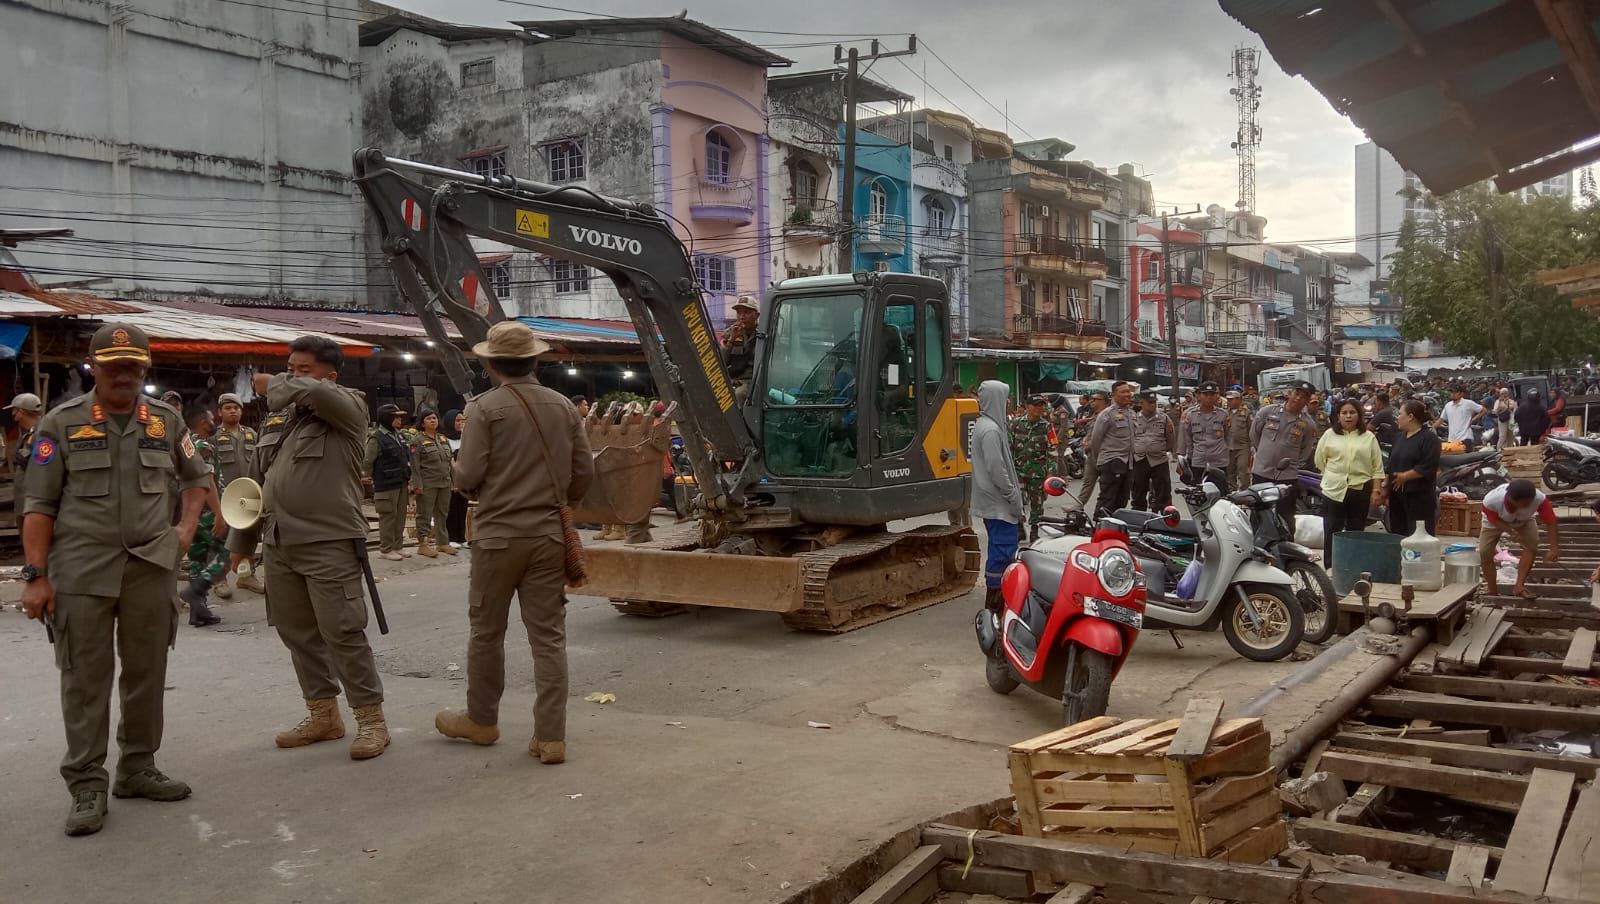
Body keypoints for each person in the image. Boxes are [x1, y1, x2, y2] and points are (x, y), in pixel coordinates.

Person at [21, 324, 209, 836]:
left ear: (144, 369)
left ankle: (138, 767)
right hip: (82, 570)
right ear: (94, 368)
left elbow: (197, 478)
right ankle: (86, 783)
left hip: (150, 566)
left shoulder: (166, 420)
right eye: (113, 366)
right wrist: (36, 577)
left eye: (133, 366)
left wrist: (184, 530)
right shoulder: (61, 423)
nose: (123, 375)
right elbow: (39, 504)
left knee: (146, 671)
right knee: (85, 679)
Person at [435, 321, 592, 765]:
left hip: (497, 537)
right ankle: (551, 738)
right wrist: (561, 501)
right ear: (534, 360)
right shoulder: (564, 407)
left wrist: (465, 478)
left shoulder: (484, 409)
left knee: (487, 633)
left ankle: (482, 721)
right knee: (549, 639)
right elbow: (584, 471)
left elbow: (467, 476)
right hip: (548, 535)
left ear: (491, 364)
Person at [228, 336, 390, 761]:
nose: (292, 376)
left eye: (303, 369)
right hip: (279, 541)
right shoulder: (278, 422)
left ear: (330, 376)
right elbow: (255, 483)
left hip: (329, 541)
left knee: (342, 631)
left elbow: (316, 393)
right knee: (296, 632)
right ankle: (323, 715)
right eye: (290, 368)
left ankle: (371, 719)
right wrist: (242, 542)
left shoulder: (348, 406)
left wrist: (277, 383)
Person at [969, 380, 1025, 613]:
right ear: (996, 399)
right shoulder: (991, 430)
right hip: (998, 503)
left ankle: (997, 603)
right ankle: (995, 604)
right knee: (1002, 551)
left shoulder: (987, 425)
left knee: (999, 548)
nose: (1009, 401)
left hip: (993, 501)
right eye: (1006, 397)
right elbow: (996, 470)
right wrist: (1012, 495)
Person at [1314, 399, 1383, 566]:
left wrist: (1376, 490)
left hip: (1360, 490)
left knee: (1356, 531)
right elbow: (1319, 461)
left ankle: (1353, 567)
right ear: (1338, 416)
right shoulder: (1329, 435)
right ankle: (1331, 567)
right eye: (1344, 413)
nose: (1348, 416)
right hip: (1333, 490)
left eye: (1352, 412)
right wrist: (1333, 475)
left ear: (1359, 415)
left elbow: (1377, 466)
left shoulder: (1368, 437)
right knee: (1332, 529)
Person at [175, 407, 226, 625]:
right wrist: (219, 513)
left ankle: (198, 612)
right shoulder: (203, 446)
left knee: (197, 560)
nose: (215, 422)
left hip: (189, 511)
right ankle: (195, 591)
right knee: (226, 556)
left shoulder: (184, 444)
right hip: (206, 512)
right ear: (204, 423)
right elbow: (208, 481)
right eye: (213, 419)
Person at [212, 392, 264, 594]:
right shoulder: (213, 436)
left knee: (248, 536)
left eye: (236, 408)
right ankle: (219, 579)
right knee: (220, 537)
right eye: (228, 408)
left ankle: (246, 576)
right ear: (219, 412)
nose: (233, 411)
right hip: (224, 496)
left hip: (248, 496)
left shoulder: (251, 434)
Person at [1250, 380, 1320, 526]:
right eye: (1296, 393)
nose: (1298, 398)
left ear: (1307, 401)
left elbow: (1305, 450)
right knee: (1258, 511)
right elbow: (1254, 435)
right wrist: (1265, 454)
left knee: (1286, 515)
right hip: (1262, 471)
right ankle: (1256, 538)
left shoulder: (1308, 424)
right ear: (1289, 393)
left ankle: (1285, 539)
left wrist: (1291, 463)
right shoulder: (1267, 412)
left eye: (1304, 397)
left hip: (1287, 476)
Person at [1479, 479, 1560, 600]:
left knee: (1532, 547)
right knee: (1485, 553)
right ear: (1511, 498)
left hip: (1524, 520)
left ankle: (1519, 586)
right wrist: (1511, 531)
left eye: (1528, 503)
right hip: (1495, 522)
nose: (1525, 505)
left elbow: (1551, 521)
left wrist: (1554, 548)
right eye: (1522, 504)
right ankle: (1492, 590)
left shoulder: (1540, 499)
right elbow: (1493, 519)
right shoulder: (1491, 501)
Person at [1381, 398, 1442, 535]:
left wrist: (1405, 476)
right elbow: (1391, 465)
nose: (1397, 418)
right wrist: (1385, 486)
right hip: (1397, 496)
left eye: (1400, 414)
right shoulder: (1399, 437)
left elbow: (1429, 465)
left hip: (1419, 496)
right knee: (1398, 534)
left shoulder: (1429, 438)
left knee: (1418, 536)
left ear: (1410, 417)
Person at [409, 408, 457, 558]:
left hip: (444, 482)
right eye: (429, 418)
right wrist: (417, 484)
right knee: (424, 514)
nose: (433, 421)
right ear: (422, 423)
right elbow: (415, 465)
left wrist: (454, 480)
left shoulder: (442, 438)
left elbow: (450, 462)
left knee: (442, 513)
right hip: (427, 483)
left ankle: (442, 542)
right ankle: (423, 544)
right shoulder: (417, 441)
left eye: (435, 418)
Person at [367, 404, 411, 561]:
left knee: (400, 516)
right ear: (387, 418)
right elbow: (368, 461)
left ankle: (398, 546)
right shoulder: (377, 437)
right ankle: (386, 549)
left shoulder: (399, 435)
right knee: (388, 516)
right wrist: (367, 477)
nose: (399, 420)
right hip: (386, 483)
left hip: (401, 481)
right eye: (396, 417)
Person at [1009, 394, 1055, 541]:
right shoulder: (1015, 424)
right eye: (1036, 405)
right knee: (1017, 501)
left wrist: (1051, 473)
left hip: (1038, 473)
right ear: (1027, 407)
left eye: (1042, 405)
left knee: (1037, 503)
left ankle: (1034, 530)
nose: (1039, 408)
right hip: (1018, 471)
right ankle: (1019, 527)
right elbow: (1009, 448)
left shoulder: (1046, 426)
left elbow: (1053, 452)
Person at [1088, 381, 1137, 517]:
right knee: (1107, 499)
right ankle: (1100, 525)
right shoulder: (1107, 414)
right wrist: (1101, 461)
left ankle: (1115, 526)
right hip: (1111, 462)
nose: (1127, 394)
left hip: (1128, 462)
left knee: (1122, 499)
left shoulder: (1131, 413)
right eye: (1123, 392)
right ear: (1114, 394)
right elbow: (1096, 440)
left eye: (1128, 391)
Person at [1178, 381, 1230, 489]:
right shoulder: (1190, 415)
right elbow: (1187, 438)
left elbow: (1228, 436)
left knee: (1220, 491)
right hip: (1199, 460)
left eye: (1212, 394)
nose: (1209, 397)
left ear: (1216, 396)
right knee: (1198, 492)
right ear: (1199, 395)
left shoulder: (1223, 415)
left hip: (1219, 461)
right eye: (1205, 394)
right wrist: (1188, 457)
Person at [1130, 390, 1174, 511]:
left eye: (1154, 402)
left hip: (1159, 460)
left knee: (1164, 492)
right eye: (1149, 402)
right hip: (1140, 459)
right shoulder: (1134, 418)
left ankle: (1165, 515)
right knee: (1138, 490)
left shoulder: (1164, 418)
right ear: (1142, 403)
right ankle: (1139, 515)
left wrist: (1162, 450)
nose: (1153, 405)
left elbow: (1170, 438)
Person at [722, 296, 759, 402]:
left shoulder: (763, 333)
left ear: (757, 315)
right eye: (739, 313)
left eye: (746, 312)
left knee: (739, 394)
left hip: (752, 380)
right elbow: (721, 361)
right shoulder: (729, 333)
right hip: (732, 380)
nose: (742, 317)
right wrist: (732, 339)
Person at [1076, 390, 1109, 509]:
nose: (1092, 402)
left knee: (1106, 486)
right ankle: (1078, 505)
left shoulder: (1108, 415)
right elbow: (1091, 431)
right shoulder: (1095, 415)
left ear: (1104, 402)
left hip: (1104, 455)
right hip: (1092, 454)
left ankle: (1103, 509)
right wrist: (1086, 439)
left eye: (1095, 400)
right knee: (1087, 482)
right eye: (1091, 399)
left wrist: (1090, 443)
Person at [443, 409, 470, 546]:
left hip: (464, 479)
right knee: (451, 508)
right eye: (457, 420)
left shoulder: (465, 438)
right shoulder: (444, 439)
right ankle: (451, 537)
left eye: (462, 420)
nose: (460, 423)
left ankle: (461, 537)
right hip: (450, 479)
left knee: (462, 507)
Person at [7, 391, 43, 478]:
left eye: (14, 409)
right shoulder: (27, 433)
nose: (12, 413)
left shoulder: (41, 435)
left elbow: (42, 470)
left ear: (21, 411)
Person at [1224, 390, 1253, 490]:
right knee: (1230, 470)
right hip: (1228, 446)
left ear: (1239, 400)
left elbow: (1251, 430)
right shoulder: (1224, 413)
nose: (1229, 402)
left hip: (1242, 447)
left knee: (1242, 468)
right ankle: (1232, 489)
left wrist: (1252, 446)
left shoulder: (1246, 413)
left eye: (1231, 400)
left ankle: (1245, 489)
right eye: (1228, 400)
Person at [1442, 384, 1484, 450]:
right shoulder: (1448, 405)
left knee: (1467, 456)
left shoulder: (1468, 403)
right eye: (1451, 392)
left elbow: (1483, 410)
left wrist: (1474, 419)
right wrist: (1432, 427)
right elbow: (1441, 419)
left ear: (1461, 394)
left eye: (1455, 392)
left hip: (1465, 438)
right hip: (1452, 439)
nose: (1453, 394)